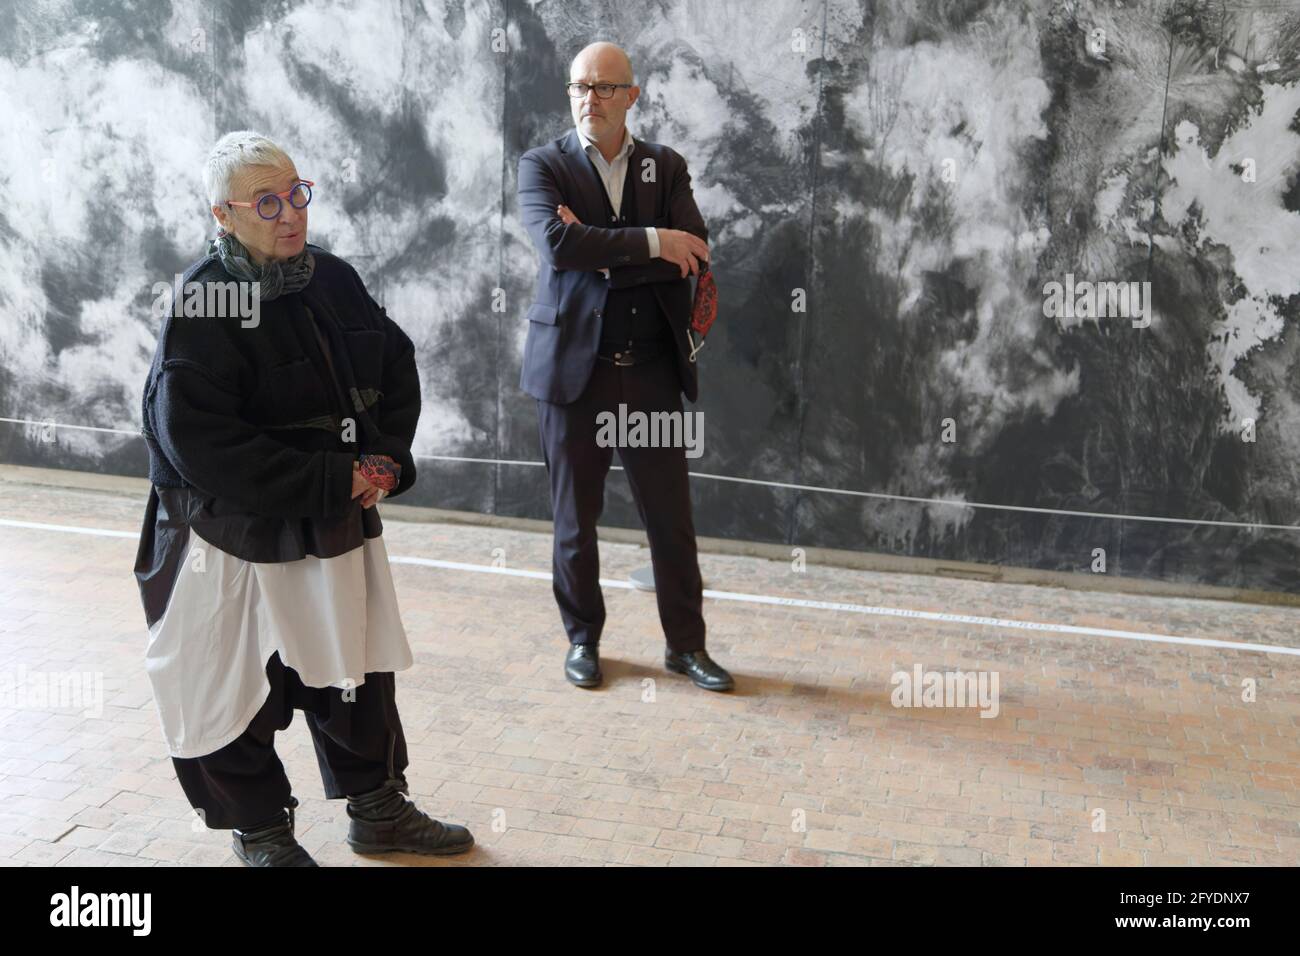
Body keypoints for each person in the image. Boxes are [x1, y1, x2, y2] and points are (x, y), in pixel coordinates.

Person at [133, 130, 473, 865]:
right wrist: (329, 479)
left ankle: (378, 810)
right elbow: (199, 442)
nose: (290, 213)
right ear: (222, 215)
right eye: (266, 202)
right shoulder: (204, 300)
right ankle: (262, 834)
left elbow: (395, 364)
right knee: (231, 689)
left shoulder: (333, 279)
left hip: (330, 520)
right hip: (230, 534)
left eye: (296, 193)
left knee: (354, 673)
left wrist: (384, 458)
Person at [516, 42, 734, 691]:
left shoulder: (664, 168)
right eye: (581, 86)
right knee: (574, 522)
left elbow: (691, 253)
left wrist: (603, 249)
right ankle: (583, 641)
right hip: (570, 378)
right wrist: (649, 241)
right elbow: (557, 247)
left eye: (606, 87)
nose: (592, 98)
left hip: (649, 375)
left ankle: (686, 648)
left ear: (632, 95)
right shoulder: (542, 166)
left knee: (670, 521)